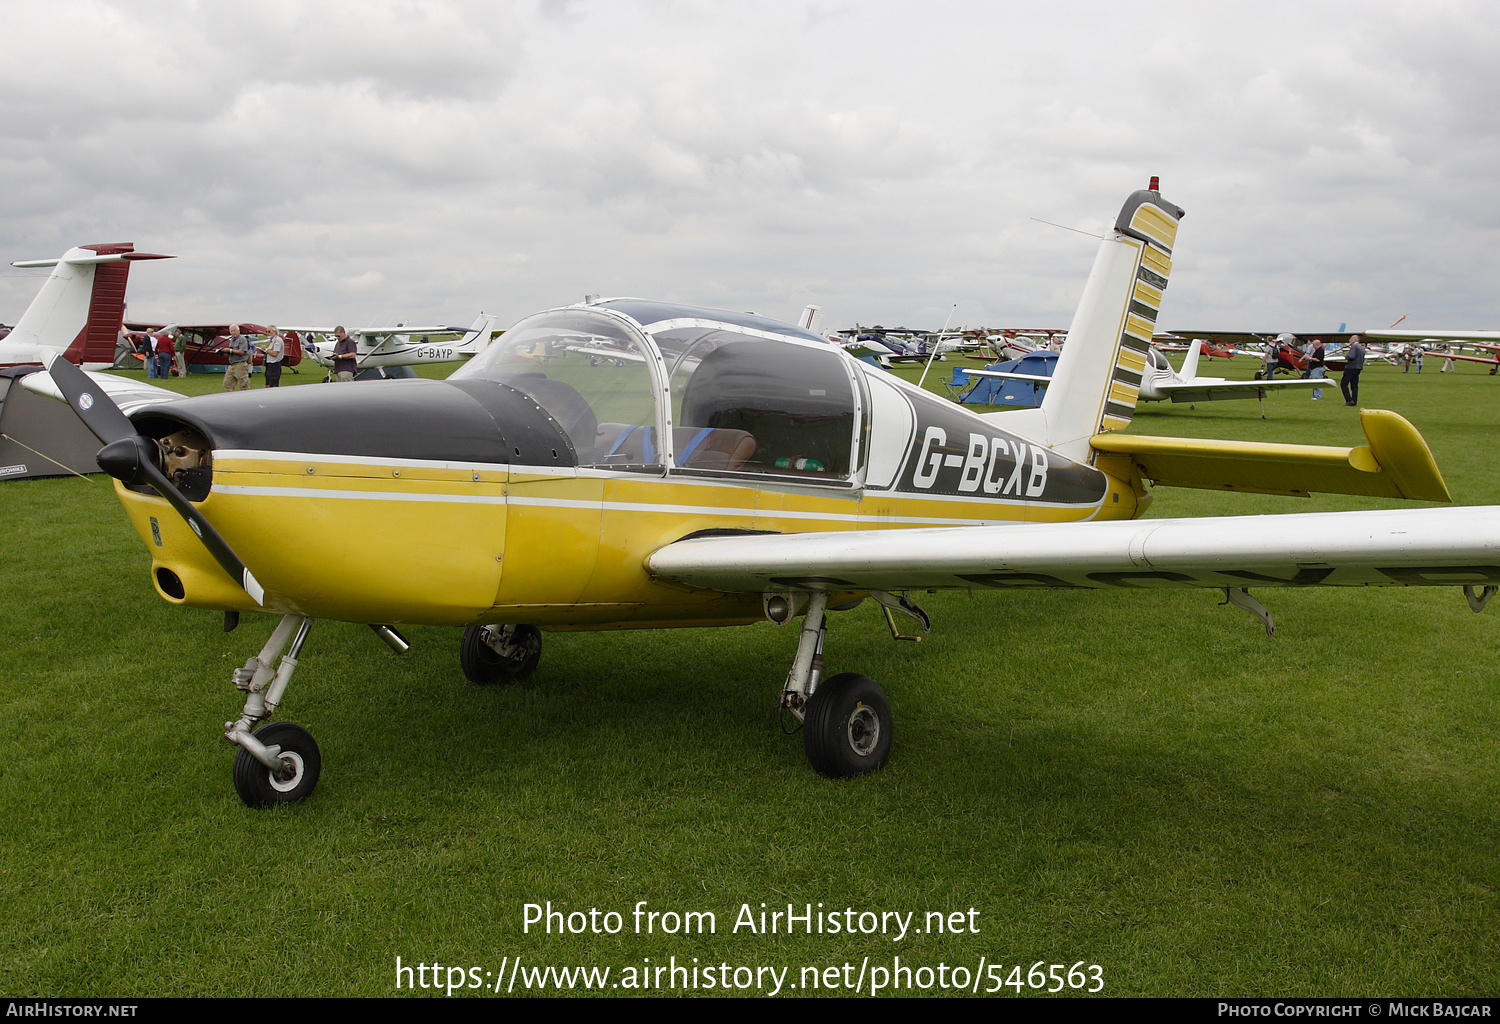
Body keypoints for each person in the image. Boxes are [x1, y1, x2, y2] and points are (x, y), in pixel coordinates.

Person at [222, 324, 251, 391]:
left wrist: (230, 350)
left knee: (243, 385)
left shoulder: (242, 339)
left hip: (240, 364)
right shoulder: (232, 340)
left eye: (234, 331)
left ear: (238, 331)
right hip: (232, 364)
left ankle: (245, 399)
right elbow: (232, 351)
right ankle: (232, 398)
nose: (233, 332)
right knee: (227, 383)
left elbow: (242, 352)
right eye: (231, 331)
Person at [1341, 334, 1365, 406]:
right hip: (1358, 367)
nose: (1349, 340)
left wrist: (1346, 356)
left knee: (1343, 384)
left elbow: (1351, 356)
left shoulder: (1354, 346)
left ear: (1355, 340)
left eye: (1351, 339)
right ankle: (1354, 400)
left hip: (1351, 367)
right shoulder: (1361, 347)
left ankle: (1349, 400)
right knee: (1354, 385)